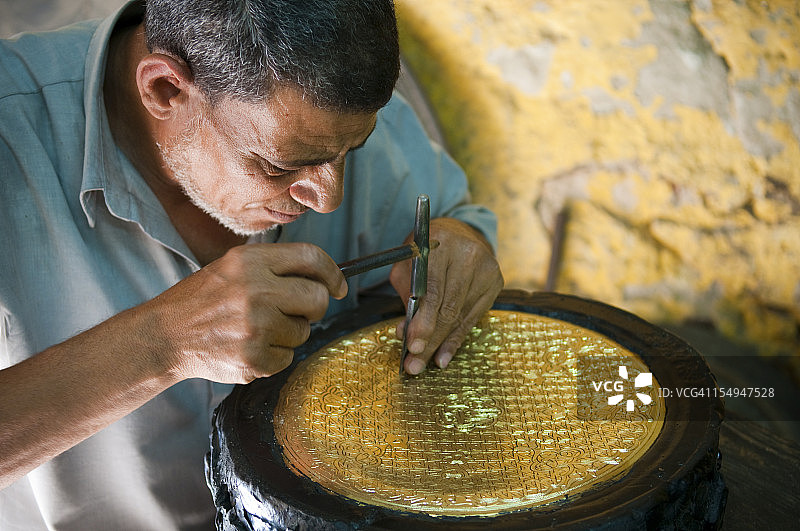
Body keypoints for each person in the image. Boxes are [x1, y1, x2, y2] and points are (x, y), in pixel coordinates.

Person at [0, 0, 503, 528]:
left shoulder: (326, 95)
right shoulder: (13, 139)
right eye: (277, 165)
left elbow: (450, 220)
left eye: (352, 151)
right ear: (165, 90)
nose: (328, 198)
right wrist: (163, 342)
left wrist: (461, 245)